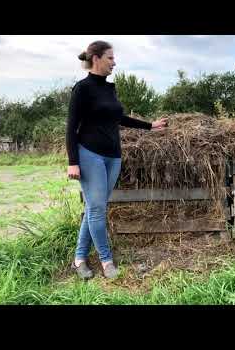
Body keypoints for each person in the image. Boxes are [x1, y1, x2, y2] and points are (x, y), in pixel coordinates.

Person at [66, 40, 167, 279]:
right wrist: (73, 161)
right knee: (98, 210)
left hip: (113, 156)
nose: (114, 62)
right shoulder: (81, 89)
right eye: (110, 58)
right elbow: (71, 128)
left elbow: (119, 118)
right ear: (96, 58)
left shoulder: (109, 88)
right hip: (89, 154)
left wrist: (150, 126)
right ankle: (106, 260)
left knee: (94, 208)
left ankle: (79, 258)